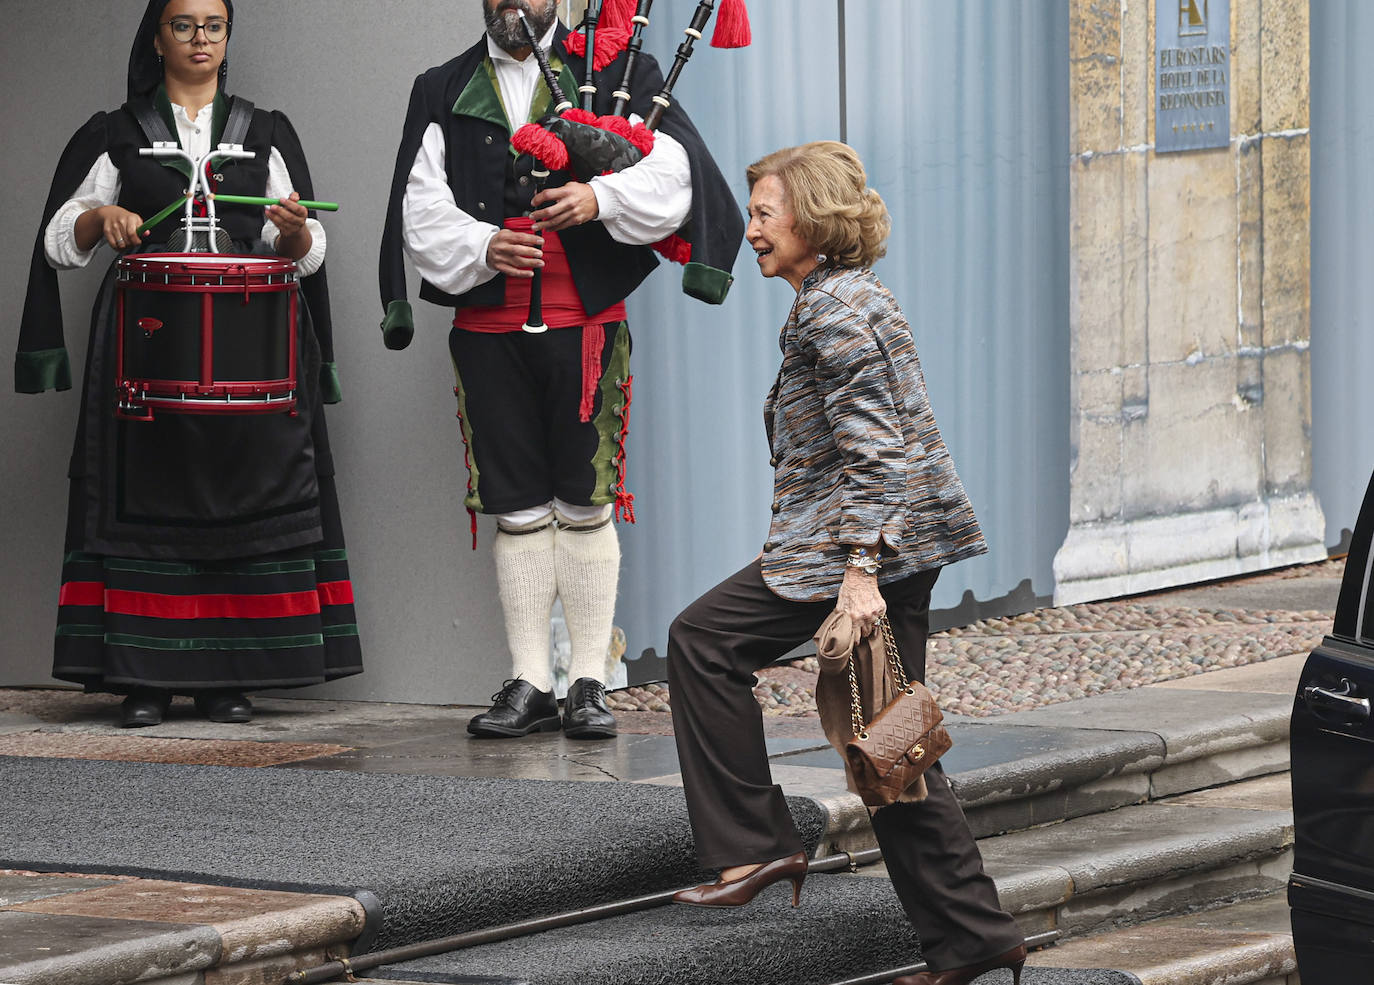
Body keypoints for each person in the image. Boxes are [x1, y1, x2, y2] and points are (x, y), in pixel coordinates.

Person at [666, 142, 1027, 985]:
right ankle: (973, 936)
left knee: (702, 641)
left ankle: (753, 848)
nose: (749, 229)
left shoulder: (828, 313)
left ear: (812, 220)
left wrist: (858, 568)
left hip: (858, 554)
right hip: (888, 546)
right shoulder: (851, 296)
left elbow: (877, 450)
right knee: (889, 749)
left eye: (763, 213)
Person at [378, 0, 742, 739]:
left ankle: (587, 680)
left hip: (585, 325)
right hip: (488, 325)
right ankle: (529, 679)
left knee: (584, 498)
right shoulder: (442, 86)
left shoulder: (616, 72)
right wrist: (484, 246)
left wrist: (598, 195)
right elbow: (420, 206)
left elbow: (675, 175)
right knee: (514, 504)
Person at [14, 0, 362, 728]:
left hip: (251, 352)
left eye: (214, 26)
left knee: (243, 503)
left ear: (228, 36)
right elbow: (57, 240)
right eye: (183, 25)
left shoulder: (265, 134)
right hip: (146, 351)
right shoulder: (117, 134)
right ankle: (142, 679)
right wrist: (96, 219)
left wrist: (294, 234)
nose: (200, 39)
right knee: (150, 504)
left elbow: (311, 253)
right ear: (158, 36)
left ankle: (225, 679)